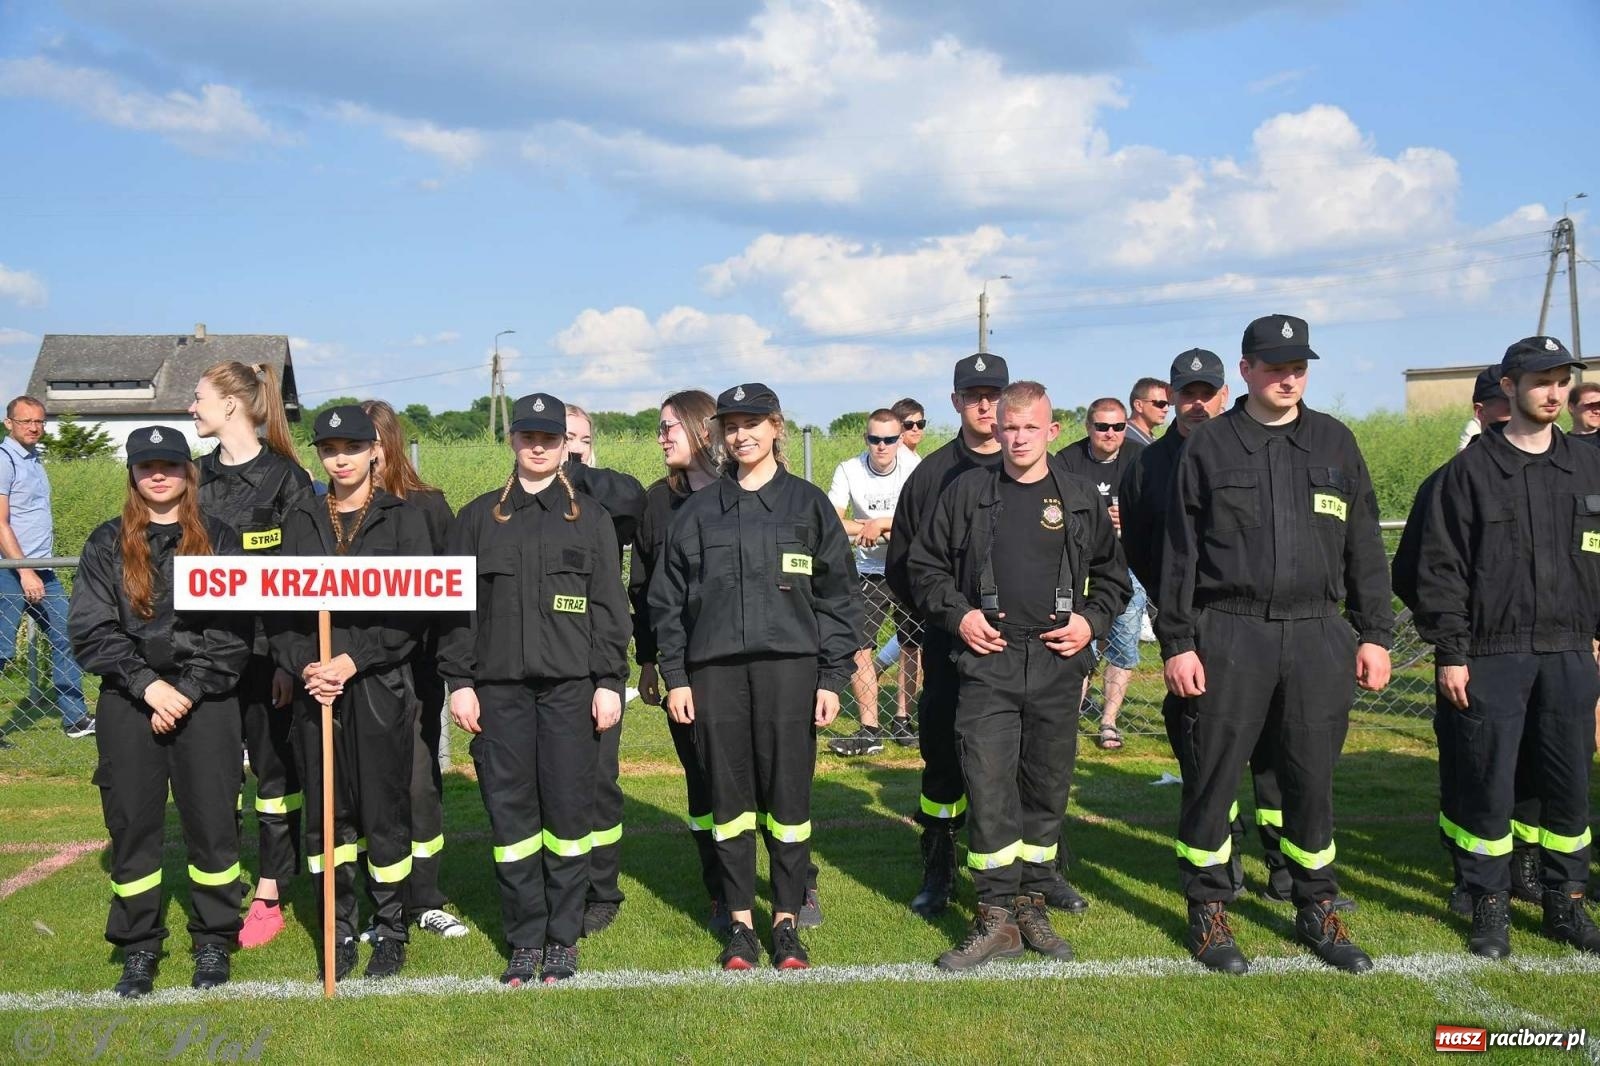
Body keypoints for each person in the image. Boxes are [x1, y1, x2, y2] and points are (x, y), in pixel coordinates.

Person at [1159, 314, 1392, 975]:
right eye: (1274, 367)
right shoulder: (1212, 446)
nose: (1288, 377)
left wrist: (1374, 634)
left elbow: (1365, 547)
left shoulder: (1335, 442)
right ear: (1246, 370)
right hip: (1230, 630)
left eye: (1299, 367)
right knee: (1212, 776)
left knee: (1309, 780)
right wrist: (1178, 642)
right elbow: (1180, 555)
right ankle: (1209, 911)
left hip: (1318, 632)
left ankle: (1316, 906)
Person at [910, 381, 1129, 970]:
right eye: (1010, 427)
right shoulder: (966, 493)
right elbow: (924, 567)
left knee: (1046, 786)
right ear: (996, 429)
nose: (1019, 437)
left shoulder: (1079, 498)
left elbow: (1114, 578)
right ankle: (994, 914)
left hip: (1058, 661)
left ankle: (1033, 901)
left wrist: (1090, 622)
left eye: (1031, 427)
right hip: (990, 659)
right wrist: (961, 617)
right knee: (988, 784)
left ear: (1052, 431)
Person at [650, 383, 862, 971]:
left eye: (752, 424)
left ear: (776, 428)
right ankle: (740, 922)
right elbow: (667, 603)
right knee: (729, 800)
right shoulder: (697, 512)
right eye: (730, 426)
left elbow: (839, 597)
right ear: (719, 434)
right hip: (713, 674)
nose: (740, 435)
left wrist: (830, 677)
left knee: (789, 797)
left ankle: (787, 920)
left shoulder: (808, 505)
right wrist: (677, 677)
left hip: (790, 673)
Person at [890, 353, 1097, 918]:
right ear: (956, 402)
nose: (985, 404)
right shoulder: (933, 476)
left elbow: (1104, 568)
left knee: (1037, 765)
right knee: (946, 764)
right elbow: (907, 566)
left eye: (995, 394)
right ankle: (938, 864)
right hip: (958, 648)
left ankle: (1041, 875)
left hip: (1037, 655)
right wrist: (956, 621)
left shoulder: (1068, 488)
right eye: (974, 395)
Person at [1413, 336, 1600, 959]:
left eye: (1562, 380)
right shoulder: (1468, 473)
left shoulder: (1589, 466)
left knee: (1568, 785)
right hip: (1492, 654)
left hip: (1572, 652)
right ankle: (1488, 906)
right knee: (1487, 786)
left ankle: (1565, 903)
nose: (1554, 392)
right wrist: (1451, 652)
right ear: (1511, 388)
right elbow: (1439, 571)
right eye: (1541, 381)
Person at [439, 392, 629, 986]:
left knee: (570, 813)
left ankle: (563, 938)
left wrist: (609, 682)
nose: (540, 446)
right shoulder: (477, 518)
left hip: (573, 690)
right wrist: (460, 684)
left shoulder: (590, 518)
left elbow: (608, 607)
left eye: (551, 437)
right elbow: (457, 612)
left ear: (565, 444)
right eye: (529, 436)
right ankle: (525, 938)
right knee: (512, 817)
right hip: (499, 693)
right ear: (514, 440)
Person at [68, 426, 253, 997]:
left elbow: (234, 633)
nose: (158, 474)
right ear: (132, 474)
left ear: (187, 473)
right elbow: (92, 629)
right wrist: (148, 686)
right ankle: (139, 945)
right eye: (147, 465)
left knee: (214, 826)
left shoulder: (220, 539)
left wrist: (189, 691)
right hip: (130, 701)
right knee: (132, 826)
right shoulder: (106, 543)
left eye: (170, 465)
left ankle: (215, 939)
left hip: (207, 702)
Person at [1121, 350, 1307, 909]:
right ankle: (1220, 857)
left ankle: (1282, 861)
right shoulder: (1148, 467)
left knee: (1276, 749)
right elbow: (1144, 550)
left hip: (1254, 621)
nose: (1198, 403)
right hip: (1193, 624)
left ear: (1228, 391)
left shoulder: (1242, 448)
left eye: (1209, 391)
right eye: (1187, 393)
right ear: (1172, 397)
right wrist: (1177, 618)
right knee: (1203, 750)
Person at [269, 404, 433, 982]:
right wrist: (307, 665)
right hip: (319, 689)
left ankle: (389, 928)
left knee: (383, 808)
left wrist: (352, 658)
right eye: (329, 449)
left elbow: (415, 615)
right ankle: (338, 928)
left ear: (374, 452)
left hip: (380, 685)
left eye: (351, 448)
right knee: (326, 812)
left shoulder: (403, 520)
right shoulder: (301, 519)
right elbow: (280, 613)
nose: (340, 458)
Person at [1393, 365, 1544, 918]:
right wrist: (1453, 631)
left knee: (1532, 767)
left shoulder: (1550, 473)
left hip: (1541, 652)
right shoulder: (1449, 480)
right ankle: (1467, 872)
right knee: (1471, 769)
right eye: (1500, 412)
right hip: (1477, 653)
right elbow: (1413, 573)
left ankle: (1525, 862)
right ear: (1481, 412)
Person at [189, 361, 311, 950]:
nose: (192, 409)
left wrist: (287, 660)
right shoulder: (192, 477)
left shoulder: (286, 478)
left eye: (198, 399)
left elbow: (299, 579)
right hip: (204, 657)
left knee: (273, 778)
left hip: (267, 660)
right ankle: (218, 884)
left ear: (232, 405)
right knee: (212, 777)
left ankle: (268, 891)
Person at [356, 400, 468, 941]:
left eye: (370, 440)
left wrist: (455, 671)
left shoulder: (428, 506)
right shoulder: (326, 508)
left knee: (419, 784)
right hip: (353, 674)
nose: (361, 453)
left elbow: (450, 594)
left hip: (416, 672)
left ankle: (425, 897)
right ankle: (368, 901)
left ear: (388, 443)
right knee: (362, 787)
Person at [630, 390, 729, 932]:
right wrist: (650, 663)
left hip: (742, 662)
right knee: (699, 774)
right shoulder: (656, 502)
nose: (663, 436)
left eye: (671, 426)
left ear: (701, 429)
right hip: (682, 666)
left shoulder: (743, 492)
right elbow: (643, 589)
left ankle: (795, 880)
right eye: (660, 427)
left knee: (766, 776)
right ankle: (717, 887)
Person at [560, 402, 645, 938]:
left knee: (597, 782)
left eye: (578, 438)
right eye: (557, 437)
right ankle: (557, 886)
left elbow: (631, 501)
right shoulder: (514, 502)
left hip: (593, 660)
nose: (567, 446)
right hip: (535, 663)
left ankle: (602, 889)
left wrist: (575, 468)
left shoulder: (608, 494)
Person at [827, 408, 919, 756]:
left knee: (912, 646)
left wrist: (881, 521)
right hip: (867, 571)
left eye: (890, 439)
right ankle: (870, 729)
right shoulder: (849, 469)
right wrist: (872, 528)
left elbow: (922, 520)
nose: (882, 446)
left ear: (900, 439)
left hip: (908, 568)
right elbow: (835, 522)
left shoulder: (913, 467)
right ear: (866, 438)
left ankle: (903, 719)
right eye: (874, 439)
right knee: (859, 646)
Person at [1054, 398, 1145, 750]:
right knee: (1078, 644)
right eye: (1102, 427)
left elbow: (1158, 511)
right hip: (1079, 567)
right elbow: (1053, 512)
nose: (1110, 433)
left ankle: (1108, 721)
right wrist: (1098, 520)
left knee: (1123, 643)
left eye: (1118, 427)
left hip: (1126, 565)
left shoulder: (1140, 458)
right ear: (1088, 427)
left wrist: (1132, 519)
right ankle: (1069, 719)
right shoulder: (1067, 461)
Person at [0, 395, 92, 737]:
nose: (34, 427)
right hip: (10, 570)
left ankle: (75, 719)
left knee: (66, 633)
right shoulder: (4, 459)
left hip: (43, 569)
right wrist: (24, 571)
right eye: (26, 421)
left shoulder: (34, 460)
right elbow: (1, 522)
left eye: (39, 421)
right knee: (2, 649)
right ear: (9, 423)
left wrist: (35, 570)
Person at [1125, 377, 1170, 446]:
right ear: (1139, 405)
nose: (1166, 409)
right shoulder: (1121, 437)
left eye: (1168, 404)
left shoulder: (1152, 440)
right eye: (1160, 404)